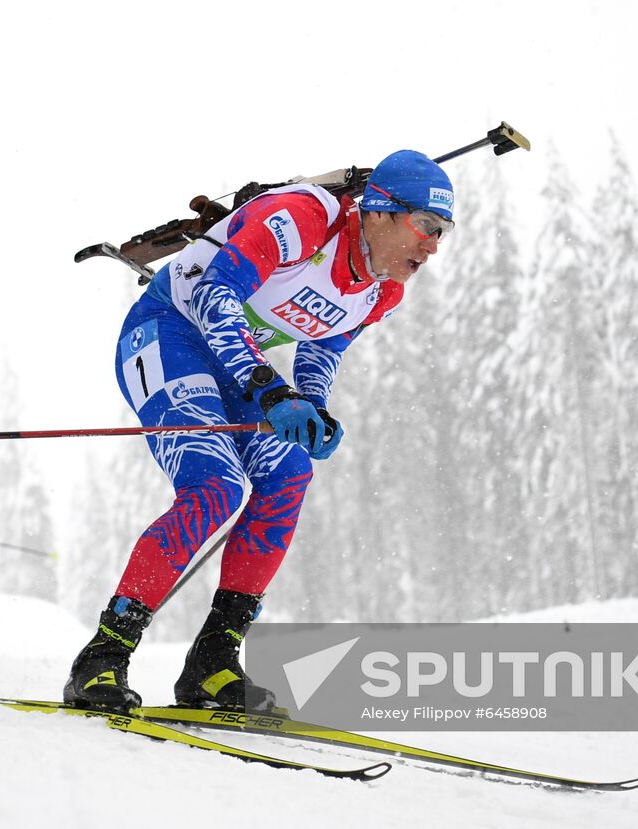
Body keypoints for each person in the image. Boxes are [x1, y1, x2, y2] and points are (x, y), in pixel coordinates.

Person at [64, 150, 455, 711]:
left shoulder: (384, 289)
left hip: (241, 363)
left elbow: (325, 346)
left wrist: (311, 407)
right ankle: (103, 656)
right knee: (216, 486)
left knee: (289, 473)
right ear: (379, 212)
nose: (433, 245)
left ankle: (212, 661)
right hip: (169, 332)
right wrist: (272, 391)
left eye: (443, 232)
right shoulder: (302, 219)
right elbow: (213, 294)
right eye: (426, 225)